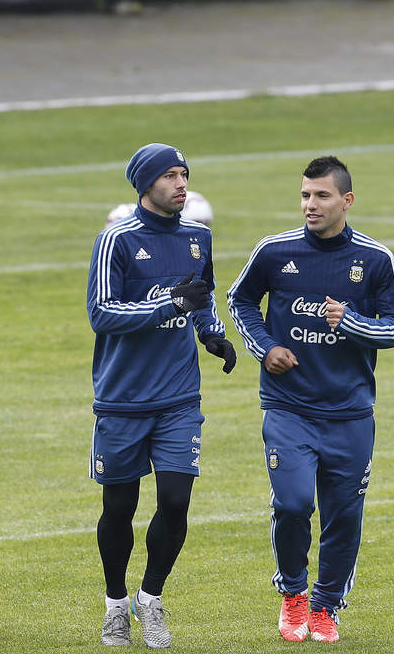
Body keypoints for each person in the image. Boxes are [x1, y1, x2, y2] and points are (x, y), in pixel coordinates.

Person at [227, 156, 394, 643]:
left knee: (343, 515)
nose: (311, 204)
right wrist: (266, 349)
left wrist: (350, 322)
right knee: (292, 504)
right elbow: (239, 300)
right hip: (288, 407)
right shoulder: (274, 251)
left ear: (346, 201)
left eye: (322, 195)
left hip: (350, 413)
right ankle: (293, 594)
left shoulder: (375, 260)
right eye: (305, 195)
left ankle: (326, 605)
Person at [86, 144, 238, 648]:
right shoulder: (116, 240)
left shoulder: (198, 237)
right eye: (170, 175)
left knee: (175, 500)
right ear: (145, 183)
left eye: (184, 174)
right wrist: (170, 304)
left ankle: (149, 598)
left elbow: (202, 294)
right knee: (119, 507)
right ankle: (115, 605)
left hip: (179, 399)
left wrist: (211, 333)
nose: (181, 184)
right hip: (123, 400)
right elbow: (102, 313)